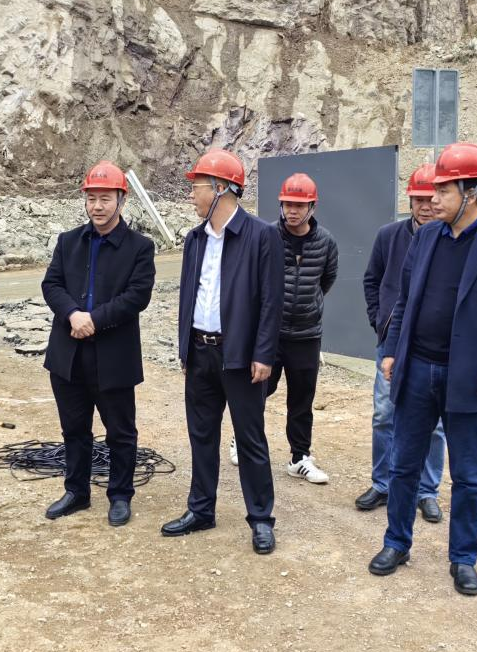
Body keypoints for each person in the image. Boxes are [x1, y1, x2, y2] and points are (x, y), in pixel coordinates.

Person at [367, 143, 477, 595]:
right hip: (417, 370)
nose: (433, 199)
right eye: (433, 190)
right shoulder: (427, 237)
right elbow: (405, 301)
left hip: (470, 378)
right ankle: (396, 542)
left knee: (468, 475)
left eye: (443, 190)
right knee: (403, 465)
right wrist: (392, 351)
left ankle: (463, 558)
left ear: (472, 191)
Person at [162, 149, 282, 555]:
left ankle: (261, 519)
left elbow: (272, 301)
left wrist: (263, 354)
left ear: (220, 189)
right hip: (200, 351)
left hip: (241, 357)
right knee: (202, 435)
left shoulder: (261, 235)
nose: (191, 195)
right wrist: (185, 347)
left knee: (249, 438)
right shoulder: (195, 239)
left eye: (196, 186)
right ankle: (201, 509)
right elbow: (188, 296)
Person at [41, 161, 156, 527]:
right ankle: (76, 491)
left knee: (120, 432)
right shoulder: (68, 241)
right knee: (74, 429)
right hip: (69, 353)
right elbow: (51, 285)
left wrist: (94, 319)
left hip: (113, 355)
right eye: (91, 198)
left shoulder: (140, 247)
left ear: (121, 200)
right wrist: (73, 315)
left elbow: (137, 296)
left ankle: (120, 495)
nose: (97, 206)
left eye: (105, 198)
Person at [357, 164, 446, 521]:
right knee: (384, 413)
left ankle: (427, 491)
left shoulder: (449, 239)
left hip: (432, 345)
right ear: (409, 200)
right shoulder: (389, 236)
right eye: (418, 199)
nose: (425, 206)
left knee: (434, 423)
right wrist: (379, 320)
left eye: (431, 198)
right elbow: (372, 279)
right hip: (392, 342)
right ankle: (383, 483)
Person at [236, 173, 337, 484]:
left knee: (302, 400)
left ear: (312, 207)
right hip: (271, 334)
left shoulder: (326, 242)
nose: (292, 211)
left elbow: (326, 281)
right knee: (258, 391)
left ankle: (299, 458)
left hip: (306, 335)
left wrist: (306, 307)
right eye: (288, 204)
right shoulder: (266, 236)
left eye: (299, 205)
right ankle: (242, 440)